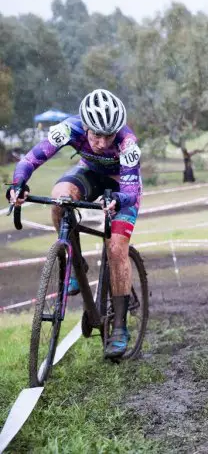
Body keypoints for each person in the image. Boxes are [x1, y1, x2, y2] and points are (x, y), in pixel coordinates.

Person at [6, 89, 142, 358]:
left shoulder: (128, 144)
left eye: (108, 136)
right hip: (88, 174)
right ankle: (74, 262)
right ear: (85, 126)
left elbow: (132, 194)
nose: (102, 143)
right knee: (60, 199)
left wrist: (117, 198)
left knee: (116, 248)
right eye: (95, 134)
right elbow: (30, 159)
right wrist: (18, 183)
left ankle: (119, 327)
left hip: (120, 186)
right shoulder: (69, 128)